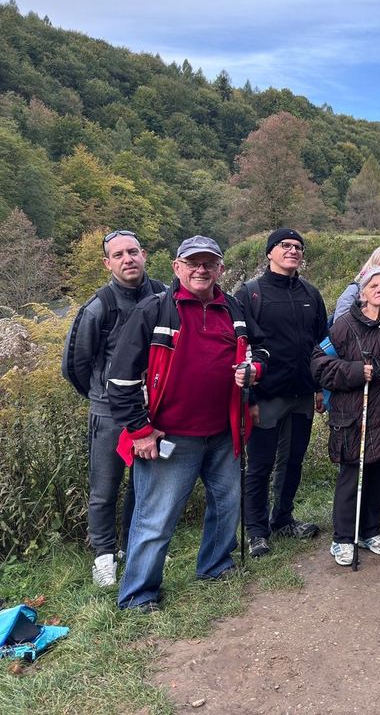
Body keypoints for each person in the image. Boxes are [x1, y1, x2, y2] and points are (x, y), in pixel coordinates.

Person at [107, 235, 267, 612]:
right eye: (192, 262)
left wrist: (254, 369)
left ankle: (215, 566)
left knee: (227, 505)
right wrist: (140, 430)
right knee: (156, 518)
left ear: (220, 269)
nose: (201, 269)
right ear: (176, 268)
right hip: (170, 435)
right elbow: (121, 380)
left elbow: (260, 350)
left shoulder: (235, 308)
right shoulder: (155, 310)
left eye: (209, 263)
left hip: (225, 431)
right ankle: (138, 595)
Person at [61, 229, 165, 587]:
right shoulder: (98, 306)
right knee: (104, 488)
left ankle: (132, 544)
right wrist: (100, 395)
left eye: (133, 252)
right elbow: (73, 365)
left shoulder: (165, 296)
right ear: (107, 263)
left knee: (143, 484)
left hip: (153, 409)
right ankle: (105, 555)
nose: (127, 259)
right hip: (107, 413)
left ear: (145, 254)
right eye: (118, 255)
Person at [311, 266, 380, 566]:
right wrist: (356, 372)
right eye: (375, 285)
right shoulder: (344, 325)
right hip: (354, 415)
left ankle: (370, 531)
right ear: (363, 293)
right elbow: (318, 364)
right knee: (352, 477)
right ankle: (343, 538)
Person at [235, 229, 329, 559]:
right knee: (259, 466)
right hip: (265, 395)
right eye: (285, 246)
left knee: (292, 462)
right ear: (270, 253)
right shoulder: (251, 293)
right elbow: (241, 349)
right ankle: (257, 531)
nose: (292, 251)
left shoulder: (311, 293)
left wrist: (319, 388)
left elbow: (320, 344)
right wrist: (250, 400)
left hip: (302, 393)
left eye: (297, 247)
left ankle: (283, 518)